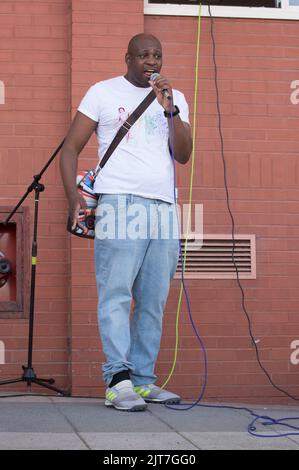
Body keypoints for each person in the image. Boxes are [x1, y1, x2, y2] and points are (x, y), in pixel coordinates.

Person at [60, 33, 192, 411]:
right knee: (116, 293)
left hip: (164, 206)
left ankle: (143, 380)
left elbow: (183, 155)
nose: (152, 61)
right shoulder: (102, 92)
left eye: (157, 55)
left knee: (153, 300)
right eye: (144, 55)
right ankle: (118, 380)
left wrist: (171, 110)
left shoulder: (175, 98)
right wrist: (73, 199)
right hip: (120, 202)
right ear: (128, 58)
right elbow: (70, 147)